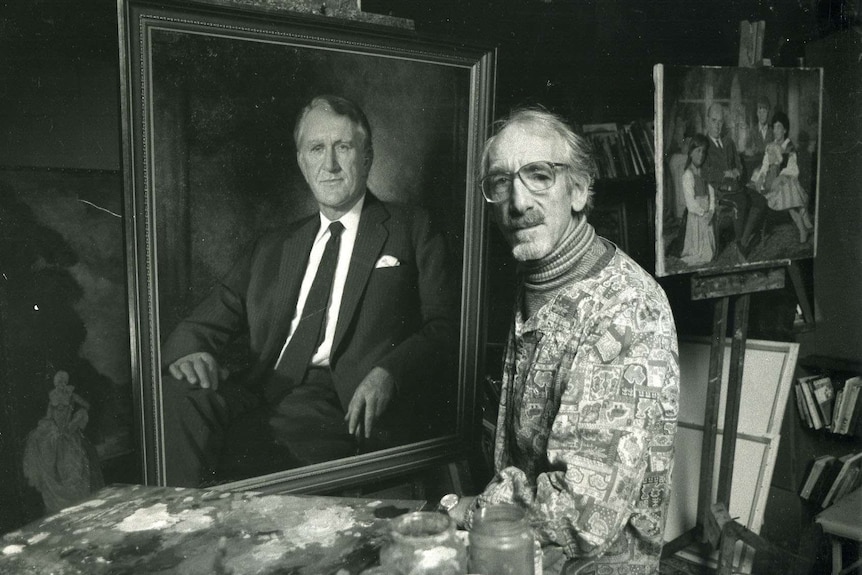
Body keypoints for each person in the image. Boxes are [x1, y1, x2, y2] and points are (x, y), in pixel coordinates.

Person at [161, 94, 458, 486]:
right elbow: (201, 322)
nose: (330, 164)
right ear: (302, 163)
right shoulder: (274, 245)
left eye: (344, 147)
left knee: (262, 447)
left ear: (367, 157)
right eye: (317, 148)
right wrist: (193, 352)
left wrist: (389, 372)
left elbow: (446, 325)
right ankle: (182, 530)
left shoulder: (412, 227)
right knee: (176, 399)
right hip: (263, 386)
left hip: (339, 397)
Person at [446, 108, 680, 575]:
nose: (517, 201)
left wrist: (469, 508)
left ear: (578, 190)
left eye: (539, 175)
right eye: (500, 182)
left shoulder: (627, 311)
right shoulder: (538, 279)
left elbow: (583, 513)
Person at [702, 102, 767, 256]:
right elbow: (705, 172)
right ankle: (740, 243)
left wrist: (737, 171)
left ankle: (743, 242)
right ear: (707, 121)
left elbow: (739, 165)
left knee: (760, 201)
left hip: (736, 186)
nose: (717, 126)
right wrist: (725, 173)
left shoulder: (729, 141)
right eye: (714, 121)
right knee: (741, 202)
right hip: (719, 191)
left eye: (720, 122)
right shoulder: (704, 145)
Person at [750, 111, 814, 243]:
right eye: (774, 127)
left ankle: (802, 228)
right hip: (771, 184)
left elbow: (793, 169)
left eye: (779, 127)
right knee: (785, 191)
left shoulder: (789, 147)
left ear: (784, 129)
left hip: (787, 181)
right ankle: (803, 225)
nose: (776, 130)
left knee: (787, 189)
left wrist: (781, 177)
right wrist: (762, 175)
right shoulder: (771, 146)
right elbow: (765, 164)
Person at [679, 134, 716, 265]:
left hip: (707, 211)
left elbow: (711, 192)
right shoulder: (688, 175)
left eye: (703, 152)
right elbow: (690, 203)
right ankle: (695, 250)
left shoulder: (705, 173)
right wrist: (703, 213)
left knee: (709, 252)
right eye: (698, 151)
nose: (701, 155)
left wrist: (711, 210)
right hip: (697, 214)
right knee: (699, 251)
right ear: (691, 153)